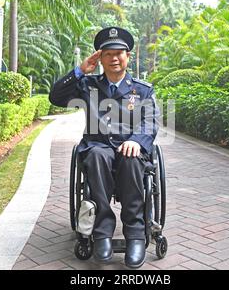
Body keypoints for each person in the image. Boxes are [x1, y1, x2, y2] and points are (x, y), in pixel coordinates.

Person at [49, 27, 159, 268]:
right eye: (108, 54)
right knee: (97, 154)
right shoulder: (88, 85)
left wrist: (136, 141)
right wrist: (79, 70)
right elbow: (56, 98)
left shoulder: (142, 90)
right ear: (100, 58)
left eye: (119, 53)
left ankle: (135, 234)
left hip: (130, 151)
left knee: (131, 158)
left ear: (127, 56)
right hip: (97, 149)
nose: (114, 58)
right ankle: (102, 233)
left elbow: (150, 121)